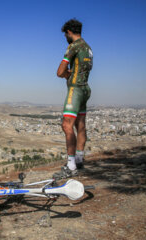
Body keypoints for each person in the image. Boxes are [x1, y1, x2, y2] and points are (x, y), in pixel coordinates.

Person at [53, 19, 93, 179]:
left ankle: (71, 166)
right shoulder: (88, 48)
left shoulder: (73, 46)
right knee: (80, 125)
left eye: (65, 34)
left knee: (66, 125)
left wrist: (66, 74)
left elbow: (60, 71)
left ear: (69, 32)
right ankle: (79, 159)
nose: (65, 37)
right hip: (85, 88)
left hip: (75, 89)